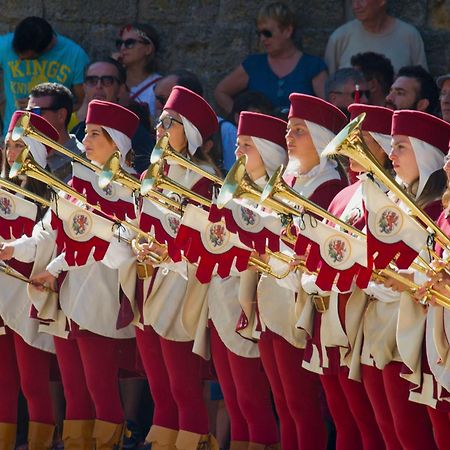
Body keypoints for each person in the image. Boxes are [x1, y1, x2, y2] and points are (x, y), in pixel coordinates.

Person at [4, 100, 141, 450]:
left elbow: (124, 246)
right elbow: (46, 234)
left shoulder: (131, 190)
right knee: (75, 391)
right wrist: (13, 248)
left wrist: (58, 266)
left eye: (96, 133)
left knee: (101, 389)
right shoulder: (75, 183)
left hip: (100, 298)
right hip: (67, 302)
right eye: (88, 132)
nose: (87, 139)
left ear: (117, 143)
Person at [301, 104, 402, 450]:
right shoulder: (344, 193)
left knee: (380, 424)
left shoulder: (396, 196)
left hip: (370, 317)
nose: (352, 148)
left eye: (365, 140)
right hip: (334, 316)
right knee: (348, 418)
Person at [256, 94, 348, 450]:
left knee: (302, 405)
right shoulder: (291, 180)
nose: (289, 137)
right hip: (278, 299)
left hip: (303, 304)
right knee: (284, 404)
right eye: (289, 130)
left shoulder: (329, 187)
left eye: (299, 130)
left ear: (321, 138)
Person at [132, 86, 220, 450]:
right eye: (160, 121)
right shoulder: (151, 173)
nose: (160, 128)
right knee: (160, 389)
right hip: (148, 282)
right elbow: (141, 226)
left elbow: (204, 240)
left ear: (192, 133)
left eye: (171, 122)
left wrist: (165, 252)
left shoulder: (203, 180)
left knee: (183, 387)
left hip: (181, 287)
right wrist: (139, 244)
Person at [362, 110, 450, 449]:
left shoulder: (431, 210)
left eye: (401, 146)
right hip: (412, 331)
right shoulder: (431, 208)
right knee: (396, 430)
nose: (391, 154)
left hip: (422, 331)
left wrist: (411, 277)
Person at [206, 111, 286, 449]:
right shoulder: (230, 191)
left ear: (267, 151)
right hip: (220, 301)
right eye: (237, 145)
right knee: (235, 402)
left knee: (253, 403)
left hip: (251, 303)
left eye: (247, 146)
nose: (237, 153)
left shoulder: (278, 197)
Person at [0, 111, 58, 450]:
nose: (11, 153)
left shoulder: (52, 193)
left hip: (29, 294)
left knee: (33, 382)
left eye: (20, 145)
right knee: (3, 381)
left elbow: (48, 243)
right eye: (8, 145)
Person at [214, 2, 327, 115]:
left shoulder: (313, 66)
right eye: (259, 34)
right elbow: (221, 91)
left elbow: (328, 108)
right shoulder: (254, 65)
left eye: (267, 33)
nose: (263, 39)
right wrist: (241, 119)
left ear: (287, 31)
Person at [0, 16, 89, 135]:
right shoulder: (5, 46)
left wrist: (42, 108)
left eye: (28, 59)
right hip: (13, 137)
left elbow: (84, 102)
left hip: (53, 140)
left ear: (47, 49)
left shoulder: (75, 56)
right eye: (17, 54)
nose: (20, 59)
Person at [71, 58, 155, 174]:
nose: (99, 86)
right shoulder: (77, 130)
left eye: (107, 80)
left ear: (121, 89)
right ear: (84, 87)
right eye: (92, 80)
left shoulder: (135, 133)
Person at [324, 0, 427, 75]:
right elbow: (328, 88)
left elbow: (422, 84)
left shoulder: (409, 36)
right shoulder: (340, 37)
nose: (356, 6)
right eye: (352, 1)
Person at [26, 82, 84, 182]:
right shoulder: (25, 152)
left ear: (61, 115)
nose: (29, 119)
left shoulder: (83, 159)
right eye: (28, 113)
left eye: (36, 112)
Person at [116, 23, 162, 123]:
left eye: (130, 43)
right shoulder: (110, 82)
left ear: (148, 49)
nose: (123, 48)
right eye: (120, 43)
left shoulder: (160, 86)